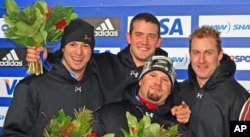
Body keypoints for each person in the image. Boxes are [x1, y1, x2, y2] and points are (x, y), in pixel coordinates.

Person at [25, 12, 189, 122]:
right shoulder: (104, 63)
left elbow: (179, 108)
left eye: (151, 36)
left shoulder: (166, 79)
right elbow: (74, 61)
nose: (144, 42)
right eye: (139, 35)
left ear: (159, 41)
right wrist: (47, 57)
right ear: (128, 37)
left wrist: (182, 111)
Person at [0, 19, 103, 136]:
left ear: (91, 51)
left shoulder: (99, 82)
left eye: (85, 46)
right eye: (72, 44)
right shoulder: (32, 86)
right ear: (63, 48)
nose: (79, 52)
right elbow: (11, 134)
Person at [174, 25, 250, 137]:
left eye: (208, 53)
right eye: (196, 53)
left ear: (219, 54)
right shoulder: (180, 90)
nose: (201, 60)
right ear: (190, 55)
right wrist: (174, 113)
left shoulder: (239, 97)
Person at [93, 55, 190, 137]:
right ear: (140, 81)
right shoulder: (108, 113)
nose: (158, 83)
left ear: (170, 90)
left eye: (165, 79)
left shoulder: (178, 128)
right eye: (153, 75)